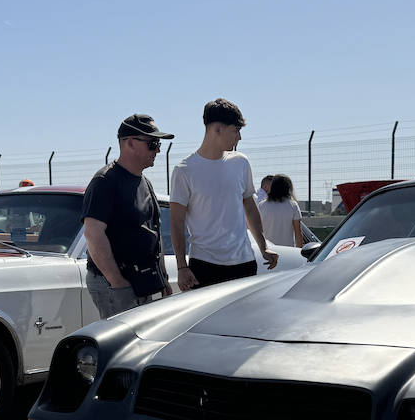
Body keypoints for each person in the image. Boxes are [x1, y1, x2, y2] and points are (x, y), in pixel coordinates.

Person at [170, 98, 278, 290]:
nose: (240, 138)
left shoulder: (241, 162)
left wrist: (263, 247)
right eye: (236, 131)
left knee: (244, 320)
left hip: (244, 263)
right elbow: (176, 222)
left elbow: (250, 208)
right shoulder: (184, 170)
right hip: (204, 266)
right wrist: (181, 267)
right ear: (217, 129)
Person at [80, 113, 174, 319]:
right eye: (152, 143)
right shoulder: (105, 181)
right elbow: (93, 234)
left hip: (142, 282)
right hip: (116, 284)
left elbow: (154, 233)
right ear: (130, 143)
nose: (158, 149)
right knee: (124, 347)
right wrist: (118, 283)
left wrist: (162, 277)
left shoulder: (144, 182)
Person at [259, 175, 304, 247]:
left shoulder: (261, 205)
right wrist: (299, 252)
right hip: (287, 251)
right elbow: (298, 233)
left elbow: (257, 230)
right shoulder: (293, 205)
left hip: (267, 250)